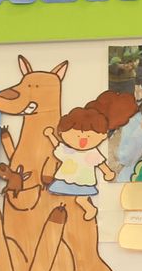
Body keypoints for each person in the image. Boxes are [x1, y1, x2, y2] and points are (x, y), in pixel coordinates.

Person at [43, 90, 136, 220]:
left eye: (88, 135)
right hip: (66, 179)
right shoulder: (69, 150)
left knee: (80, 199)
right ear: (62, 133)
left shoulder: (92, 152)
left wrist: (107, 173)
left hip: (84, 181)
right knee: (59, 197)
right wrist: (50, 136)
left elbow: (100, 164)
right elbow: (58, 146)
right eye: (77, 135)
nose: (83, 139)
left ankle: (90, 208)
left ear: (102, 136)